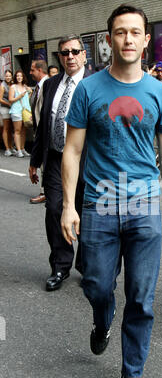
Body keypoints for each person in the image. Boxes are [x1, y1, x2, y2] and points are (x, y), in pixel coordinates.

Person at [61, 4, 162, 378]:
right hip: (99, 204)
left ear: (146, 39)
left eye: (135, 32)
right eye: (120, 32)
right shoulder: (89, 90)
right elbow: (73, 151)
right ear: (108, 39)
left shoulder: (159, 91)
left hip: (145, 204)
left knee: (142, 297)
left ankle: (132, 375)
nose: (128, 39)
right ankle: (102, 317)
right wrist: (68, 207)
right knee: (95, 283)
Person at [29, 35, 91, 292]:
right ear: (60, 57)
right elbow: (44, 124)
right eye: (65, 53)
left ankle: (87, 268)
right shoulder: (51, 84)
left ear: (84, 54)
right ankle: (60, 266)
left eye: (75, 51)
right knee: (55, 210)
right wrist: (34, 159)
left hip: (89, 162)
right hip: (56, 158)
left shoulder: (96, 83)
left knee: (88, 215)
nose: (70, 56)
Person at [29, 59, 49, 204]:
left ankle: (45, 191)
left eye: (32, 70)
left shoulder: (48, 85)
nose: (30, 73)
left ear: (40, 70)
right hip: (39, 130)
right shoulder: (38, 87)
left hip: (46, 132)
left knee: (46, 162)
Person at [8, 70, 32, 158]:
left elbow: (26, 99)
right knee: (17, 131)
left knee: (23, 131)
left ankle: (22, 149)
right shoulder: (13, 87)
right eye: (17, 76)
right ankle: (18, 150)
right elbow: (10, 99)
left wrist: (29, 93)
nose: (19, 77)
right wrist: (19, 96)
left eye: (21, 76)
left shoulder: (25, 86)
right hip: (16, 111)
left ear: (23, 77)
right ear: (15, 77)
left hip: (25, 111)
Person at [0, 69, 14, 156]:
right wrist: (8, 103)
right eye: (6, 76)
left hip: (12, 108)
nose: (8, 77)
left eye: (9, 76)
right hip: (4, 108)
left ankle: (11, 147)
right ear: (4, 77)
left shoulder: (13, 84)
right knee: (6, 128)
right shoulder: (2, 85)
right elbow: (0, 99)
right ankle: (7, 148)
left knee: (11, 128)